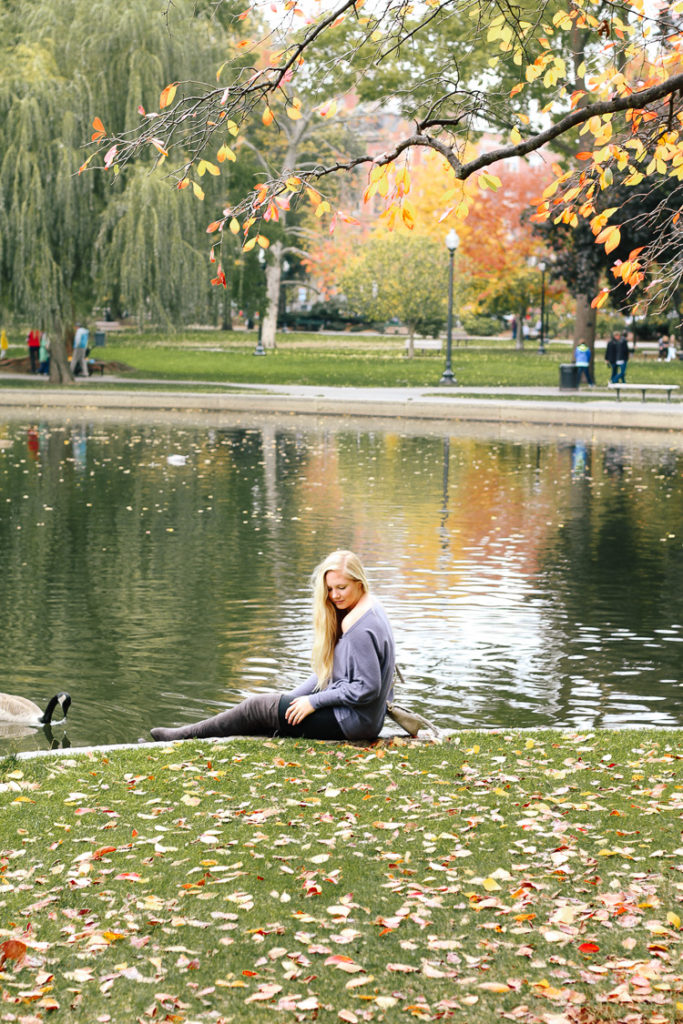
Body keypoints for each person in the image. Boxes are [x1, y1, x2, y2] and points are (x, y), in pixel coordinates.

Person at [150, 550, 396, 743]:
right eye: (330, 589)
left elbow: (367, 688)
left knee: (256, 708)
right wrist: (292, 699)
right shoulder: (368, 606)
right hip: (358, 717)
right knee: (270, 711)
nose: (334, 596)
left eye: (342, 588)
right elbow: (330, 672)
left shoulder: (359, 626)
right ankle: (186, 736)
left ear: (359, 582)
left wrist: (313, 703)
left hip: (352, 723)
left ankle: (183, 736)